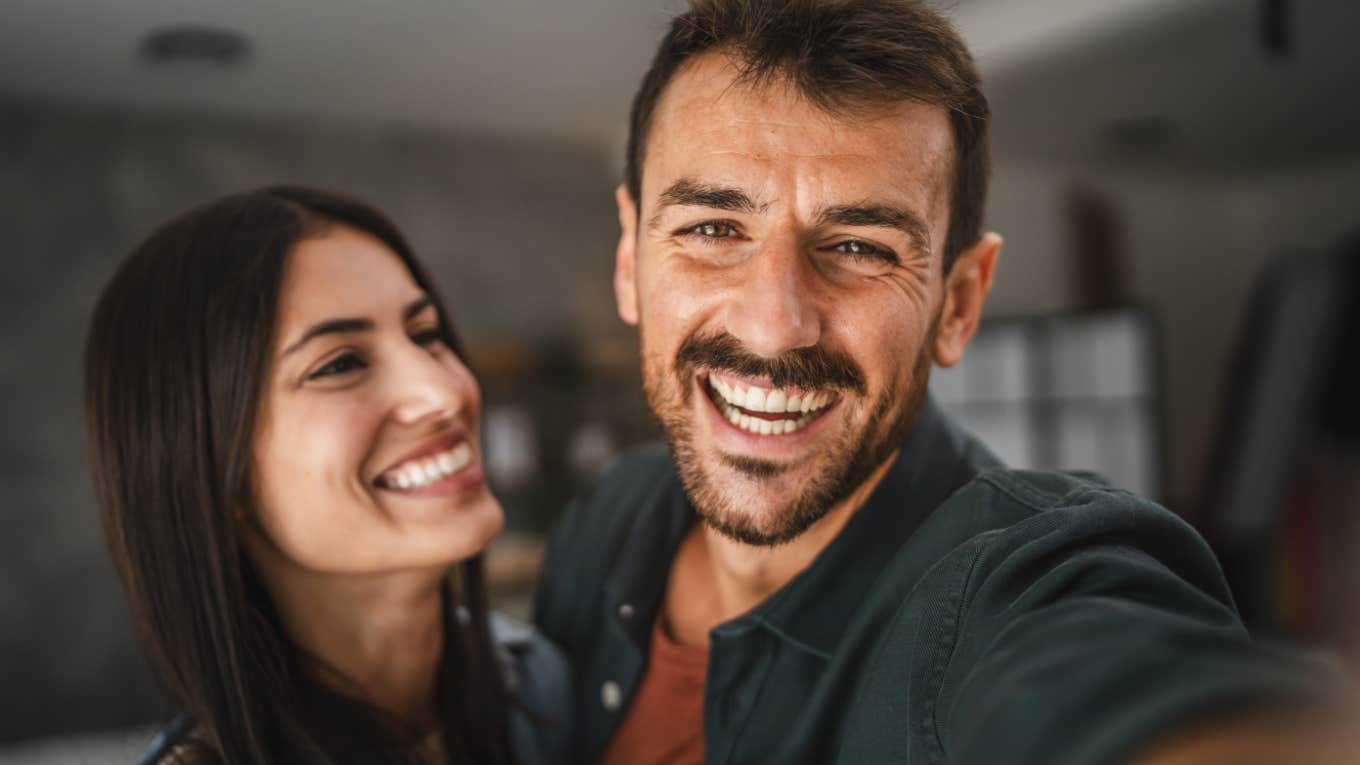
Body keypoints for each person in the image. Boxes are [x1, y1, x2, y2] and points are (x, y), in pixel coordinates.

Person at [533, 1, 1349, 764]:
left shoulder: (1026, 577)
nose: (774, 324)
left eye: (859, 246)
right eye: (713, 228)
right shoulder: (610, 515)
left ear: (957, 303)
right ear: (628, 262)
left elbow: (1113, 679)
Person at [85, 187, 567, 764]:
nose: (443, 393)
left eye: (426, 335)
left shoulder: (547, 684)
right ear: (216, 471)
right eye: (340, 364)